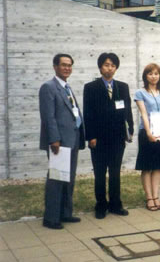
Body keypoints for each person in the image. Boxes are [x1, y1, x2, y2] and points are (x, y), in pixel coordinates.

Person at [83, 52, 134, 219]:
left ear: (116, 68)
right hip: (98, 138)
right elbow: (88, 114)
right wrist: (91, 136)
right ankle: (100, 205)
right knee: (99, 173)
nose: (109, 68)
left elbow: (127, 111)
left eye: (112, 65)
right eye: (106, 65)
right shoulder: (91, 88)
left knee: (115, 172)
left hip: (117, 138)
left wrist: (130, 130)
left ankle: (115, 204)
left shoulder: (123, 87)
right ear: (100, 67)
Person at [39, 53, 85, 229]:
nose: (67, 68)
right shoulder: (48, 87)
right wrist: (54, 139)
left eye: (69, 65)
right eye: (63, 65)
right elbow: (48, 117)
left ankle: (65, 213)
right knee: (56, 179)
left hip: (72, 139)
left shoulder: (66, 87)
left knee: (69, 178)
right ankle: (51, 218)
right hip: (58, 142)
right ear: (55, 67)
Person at [134, 63, 160, 211]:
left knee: (157, 167)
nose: (153, 76)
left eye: (156, 73)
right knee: (147, 167)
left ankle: (156, 197)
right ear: (145, 76)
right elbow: (143, 113)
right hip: (147, 133)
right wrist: (149, 133)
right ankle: (149, 198)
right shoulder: (140, 93)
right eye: (150, 73)